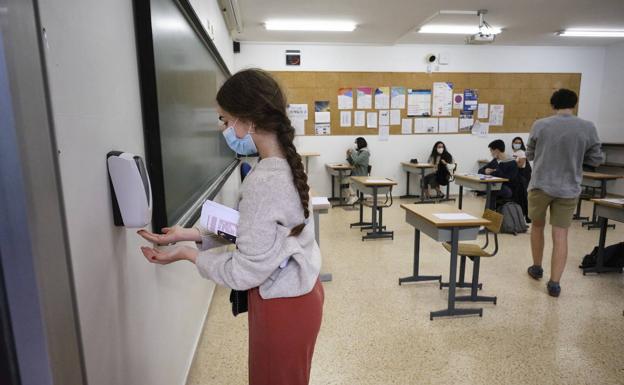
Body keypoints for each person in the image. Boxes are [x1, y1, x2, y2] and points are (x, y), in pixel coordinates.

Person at [137, 69, 324, 385]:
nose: (222, 128)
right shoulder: (278, 167)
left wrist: (188, 254)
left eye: (225, 120)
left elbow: (244, 271)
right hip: (299, 296)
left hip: (282, 307)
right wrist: (191, 233)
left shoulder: (264, 181)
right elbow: (257, 231)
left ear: (249, 121)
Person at [525, 88, 604, 298]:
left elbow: (530, 153)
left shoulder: (540, 124)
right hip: (569, 188)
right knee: (561, 235)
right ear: (574, 105)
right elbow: (596, 159)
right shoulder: (587, 127)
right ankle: (555, 283)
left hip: (541, 184)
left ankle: (536, 267)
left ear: (553, 105)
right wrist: (576, 160)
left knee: (537, 227)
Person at [478, 139, 519, 209]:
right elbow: (480, 171)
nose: (491, 153)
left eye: (491, 151)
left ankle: (489, 215)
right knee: (489, 189)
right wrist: (485, 171)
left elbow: (510, 179)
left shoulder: (512, 163)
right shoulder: (495, 161)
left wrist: (494, 172)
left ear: (496, 150)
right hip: (495, 185)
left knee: (492, 190)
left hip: (508, 188)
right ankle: (489, 214)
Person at [511, 137, 532, 223]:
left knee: (523, 198)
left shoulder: (522, 153)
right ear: (512, 143)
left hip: (522, 177)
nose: (517, 144)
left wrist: (512, 163)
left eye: (519, 142)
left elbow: (521, 165)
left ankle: (526, 217)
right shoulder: (514, 153)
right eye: (515, 142)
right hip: (517, 177)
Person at [345, 137, 370, 204]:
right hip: (356, 173)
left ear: (360, 143)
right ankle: (351, 195)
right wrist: (348, 155)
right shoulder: (359, 152)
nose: (355, 144)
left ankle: (353, 196)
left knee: (345, 181)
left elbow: (356, 160)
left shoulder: (365, 153)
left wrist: (352, 152)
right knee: (343, 180)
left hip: (361, 174)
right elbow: (352, 163)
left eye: (356, 143)